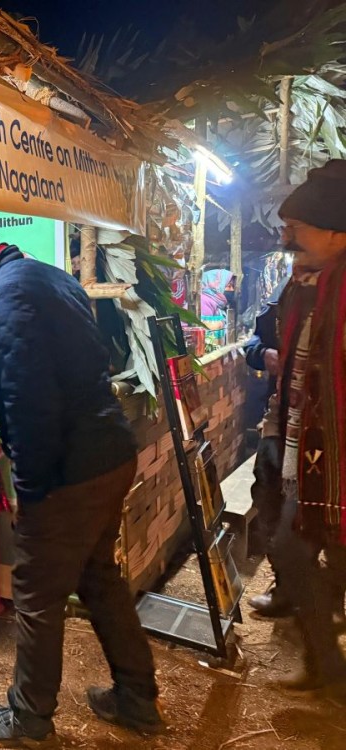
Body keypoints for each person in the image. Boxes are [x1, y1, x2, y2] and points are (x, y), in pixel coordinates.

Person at [0, 230, 161, 745]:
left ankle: (29, 719)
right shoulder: (41, 275)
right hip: (107, 450)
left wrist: (29, 493)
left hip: (67, 467)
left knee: (36, 594)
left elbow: (29, 405)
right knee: (98, 576)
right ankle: (137, 698)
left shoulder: (2, 298)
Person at [267, 160, 346, 690]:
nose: (287, 238)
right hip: (309, 445)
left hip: (335, 454)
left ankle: (328, 667)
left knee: (290, 549)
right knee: (304, 548)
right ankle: (327, 661)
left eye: (299, 228)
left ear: (339, 233)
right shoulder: (310, 285)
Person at [243, 278, 291, 617]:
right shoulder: (290, 289)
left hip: (333, 422)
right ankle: (286, 586)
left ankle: (331, 598)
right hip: (282, 415)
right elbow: (254, 343)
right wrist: (264, 353)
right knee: (267, 492)